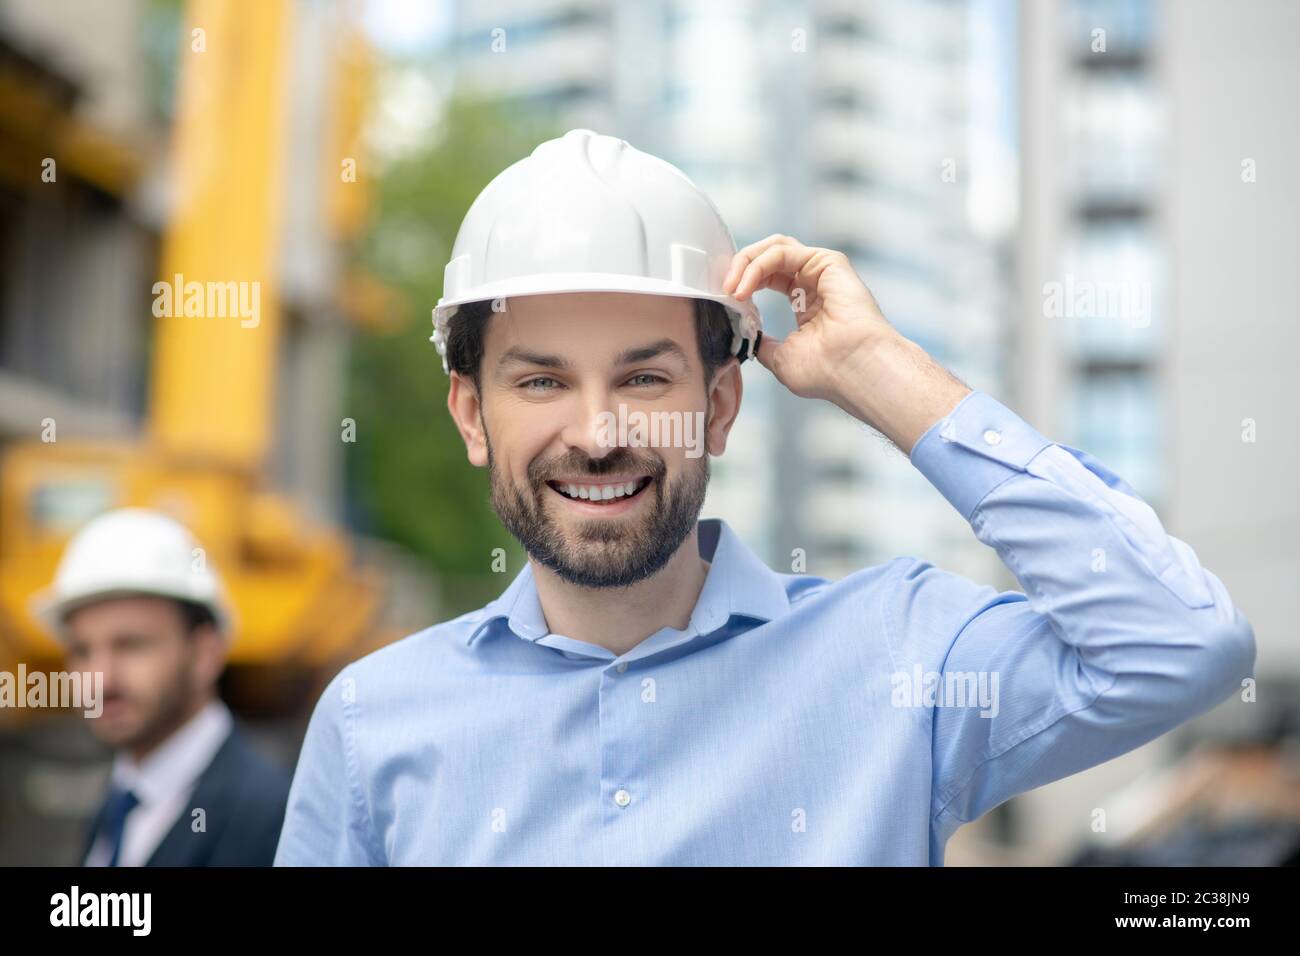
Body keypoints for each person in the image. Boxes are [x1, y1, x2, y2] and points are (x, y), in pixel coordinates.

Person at [275, 129, 1255, 865]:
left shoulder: (895, 658)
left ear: (719, 402)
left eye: (646, 377)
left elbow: (1180, 640)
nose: (598, 428)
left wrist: (876, 365)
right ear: (471, 413)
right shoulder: (373, 722)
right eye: (539, 381)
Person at [34, 507, 291, 866]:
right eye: (81, 651)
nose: (100, 680)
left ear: (204, 653)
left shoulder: (272, 819)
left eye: (131, 645)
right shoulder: (117, 801)